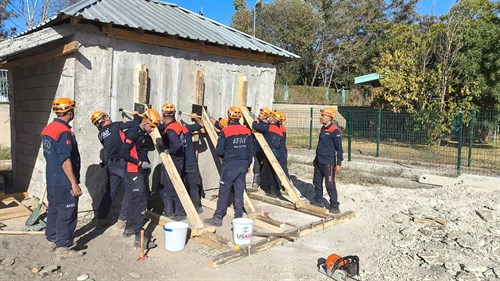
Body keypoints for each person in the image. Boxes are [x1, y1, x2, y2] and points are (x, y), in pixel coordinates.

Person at [41, 97, 84, 259]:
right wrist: (74, 183)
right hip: (64, 180)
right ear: (69, 112)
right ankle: (63, 247)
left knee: (54, 209)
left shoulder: (48, 128)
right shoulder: (63, 132)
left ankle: (52, 239)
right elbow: (65, 159)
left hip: (52, 178)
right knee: (67, 211)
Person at [90, 111, 141, 229]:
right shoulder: (115, 126)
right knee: (130, 189)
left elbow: (114, 139)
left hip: (112, 165)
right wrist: (136, 114)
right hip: (123, 163)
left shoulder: (101, 135)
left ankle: (100, 219)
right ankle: (122, 220)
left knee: (110, 192)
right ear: (104, 119)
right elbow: (136, 123)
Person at [204, 106, 253, 227]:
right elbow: (250, 150)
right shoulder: (247, 131)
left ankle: (218, 217)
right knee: (239, 190)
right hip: (242, 165)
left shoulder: (225, 132)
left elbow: (219, 151)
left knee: (224, 191)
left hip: (230, 165)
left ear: (229, 117)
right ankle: (238, 217)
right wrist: (247, 164)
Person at [120, 109, 159, 249]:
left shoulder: (143, 132)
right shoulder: (133, 132)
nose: (152, 129)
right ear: (144, 122)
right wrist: (140, 163)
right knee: (140, 202)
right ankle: (139, 237)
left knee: (133, 199)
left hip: (139, 169)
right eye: (152, 126)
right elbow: (124, 153)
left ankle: (129, 228)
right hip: (133, 170)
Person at [311, 107, 343, 214]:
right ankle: (318, 200)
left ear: (330, 117)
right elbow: (320, 146)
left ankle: (334, 205)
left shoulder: (335, 131)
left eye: (323, 115)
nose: (320, 117)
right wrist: (316, 160)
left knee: (330, 184)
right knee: (317, 182)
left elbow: (339, 149)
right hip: (319, 161)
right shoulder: (323, 129)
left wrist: (338, 164)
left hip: (328, 163)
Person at [158, 103, 186, 221]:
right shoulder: (175, 124)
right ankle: (169, 210)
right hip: (178, 159)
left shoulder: (170, 130)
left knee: (173, 186)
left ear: (163, 114)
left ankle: (180, 212)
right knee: (165, 184)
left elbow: (177, 146)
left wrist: (168, 151)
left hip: (173, 160)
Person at [252, 110, 283, 198]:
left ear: (274, 120)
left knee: (269, 174)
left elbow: (255, 126)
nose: (270, 118)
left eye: (271, 117)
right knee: (274, 173)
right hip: (277, 154)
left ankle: (272, 192)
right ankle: (277, 190)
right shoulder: (278, 130)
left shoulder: (270, 128)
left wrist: (254, 121)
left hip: (269, 154)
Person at [181, 112, 205, 214]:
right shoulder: (185, 128)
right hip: (188, 163)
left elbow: (201, 125)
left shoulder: (170, 130)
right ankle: (195, 207)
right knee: (192, 184)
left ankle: (190, 206)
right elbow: (201, 125)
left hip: (182, 163)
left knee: (190, 184)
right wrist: (196, 117)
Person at [247, 108, 272, 192]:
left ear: (265, 116)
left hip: (265, 150)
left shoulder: (267, 126)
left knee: (267, 167)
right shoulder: (261, 122)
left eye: (261, 114)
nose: (259, 115)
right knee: (257, 167)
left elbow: (256, 126)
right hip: (258, 149)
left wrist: (254, 122)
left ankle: (271, 186)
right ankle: (255, 183)